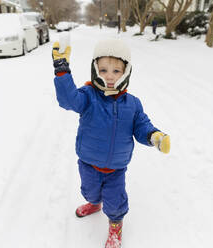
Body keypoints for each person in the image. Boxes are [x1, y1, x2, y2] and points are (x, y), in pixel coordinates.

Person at [52, 38, 170, 248]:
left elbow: (141, 125)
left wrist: (154, 136)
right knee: (90, 192)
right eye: (104, 69)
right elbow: (68, 100)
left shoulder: (132, 103)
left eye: (116, 71)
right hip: (88, 163)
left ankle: (115, 226)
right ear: (95, 68)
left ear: (126, 72)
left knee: (115, 202)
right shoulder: (88, 96)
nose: (109, 76)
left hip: (116, 168)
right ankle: (94, 203)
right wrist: (62, 71)